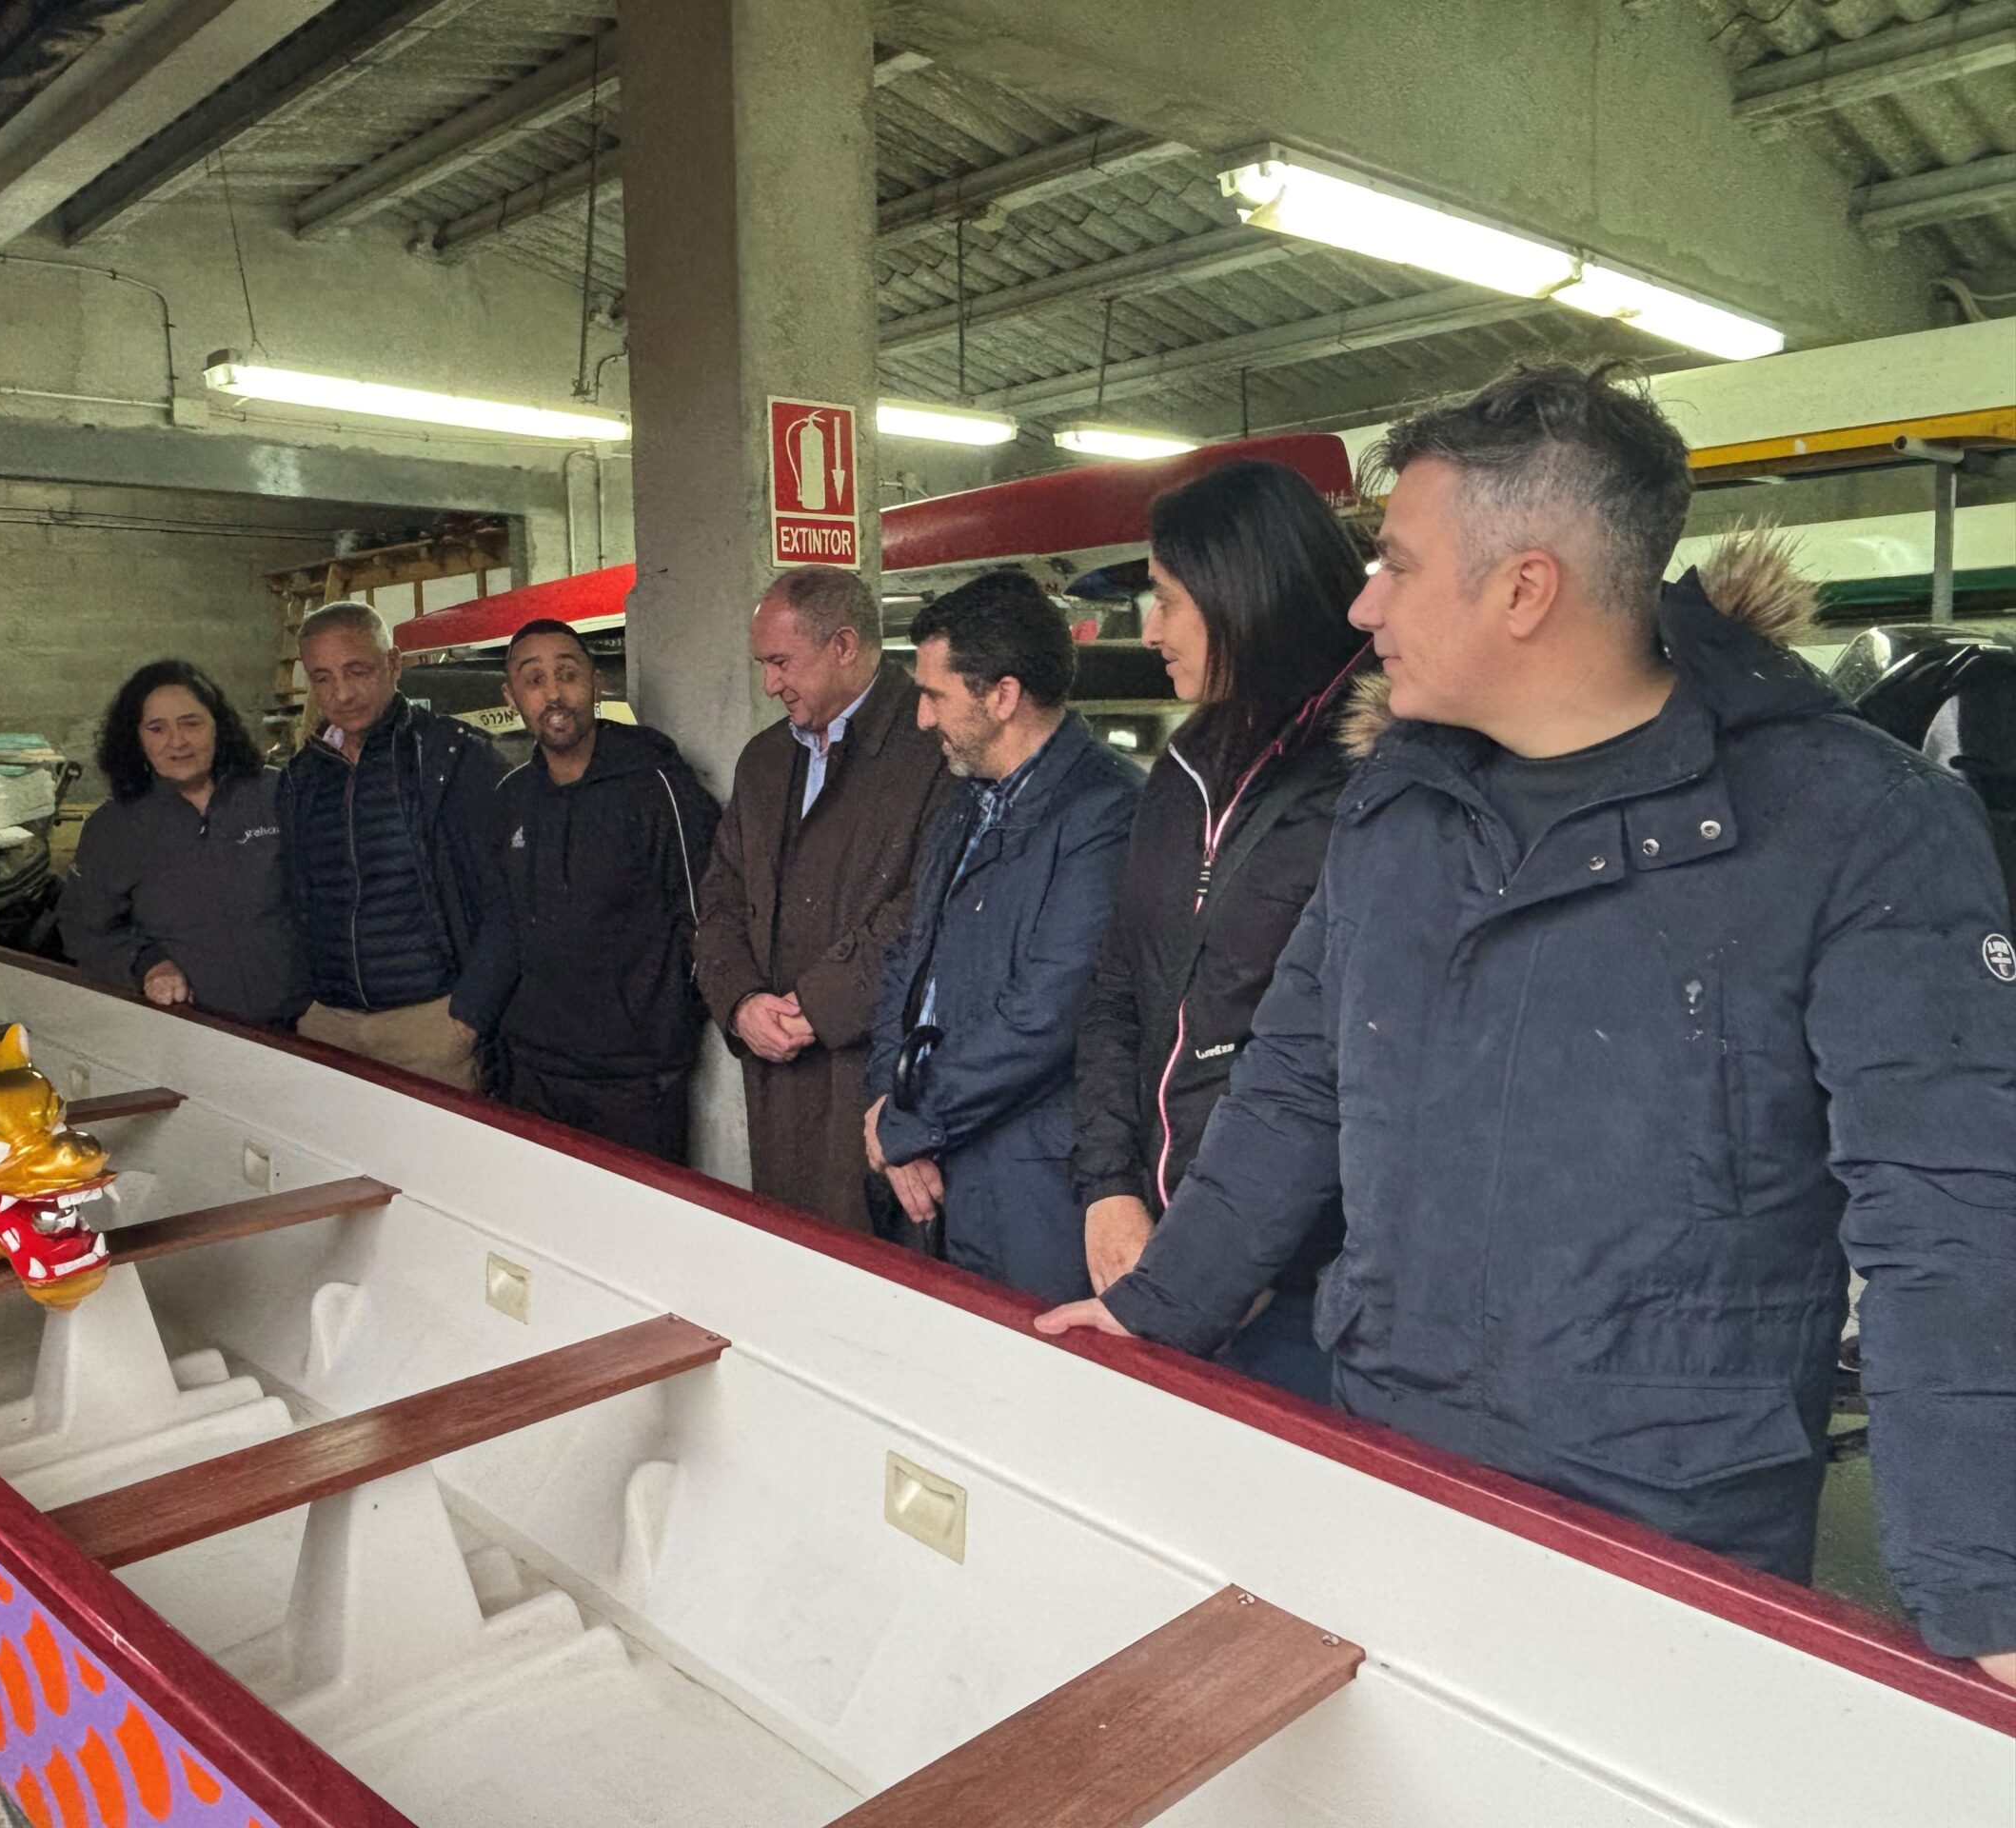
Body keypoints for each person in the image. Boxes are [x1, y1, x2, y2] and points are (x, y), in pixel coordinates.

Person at [1037, 364, 2016, 1686]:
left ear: (1523, 589)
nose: (1363, 604)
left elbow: (1948, 1220)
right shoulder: (1398, 808)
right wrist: (1157, 1315)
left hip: (1667, 1526)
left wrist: (1987, 1593)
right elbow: (1294, 1092)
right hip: (1389, 1452)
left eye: (1395, 564)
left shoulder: (1859, 826)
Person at [1073, 462, 1372, 1401]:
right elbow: (1118, 991)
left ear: (1245, 593)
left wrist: (1225, 1261)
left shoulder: (1370, 782)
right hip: (1155, 1252)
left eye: (1167, 599)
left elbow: (1344, 1071)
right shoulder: (1183, 772)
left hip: (1303, 1298)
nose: (1150, 630)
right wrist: (1109, 1187)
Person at [862, 570, 1141, 1303]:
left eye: (935, 694)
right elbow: (910, 960)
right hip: (937, 1164)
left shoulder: (1106, 811)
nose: (921, 717)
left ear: (1003, 696)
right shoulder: (965, 800)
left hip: (1034, 1189)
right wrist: (887, 1103)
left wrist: (909, 1120)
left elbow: (1049, 1012)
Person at [695, 566, 952, 1231]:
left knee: (872, 1267)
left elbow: (931, 907)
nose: (768, 684)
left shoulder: (934, 750)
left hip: (876, 1080)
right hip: (775, 1076)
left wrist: (821, 1005)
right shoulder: (763, 762)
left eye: (780, 662)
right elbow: (720, 897)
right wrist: (740, 1002)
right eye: (762, 664)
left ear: (842, 645)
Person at [491, 618, 721, 1162]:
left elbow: (709, 916)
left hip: (634, 1081)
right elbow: (503, 924)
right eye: (534, 680)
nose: (553, 693)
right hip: (535, 1070)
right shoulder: (512, 798)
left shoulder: (657, 786)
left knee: (639, 1215)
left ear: (598, 683)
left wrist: (661, 1023)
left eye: (568, 674)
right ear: (511, 698)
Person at [279, 599, 509, 1091]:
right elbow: (293, 900)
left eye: (357, 670)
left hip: (431, 1027)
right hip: (330, 1027)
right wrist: (303, 1005)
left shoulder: (454, 757)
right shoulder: (301, 778)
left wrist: (468, 1017)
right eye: (322, 678)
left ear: (394, 663)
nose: (342, 693)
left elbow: (511, 898)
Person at [57, 660, 306, 1028]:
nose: (177, 742)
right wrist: (147, 964)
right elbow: (84, 930)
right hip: (188, 1029)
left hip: (307, 1024)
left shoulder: (278, 794)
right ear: (136, 738)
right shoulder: (113, 828)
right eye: (157, 728)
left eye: (191, 723)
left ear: (218, 725)